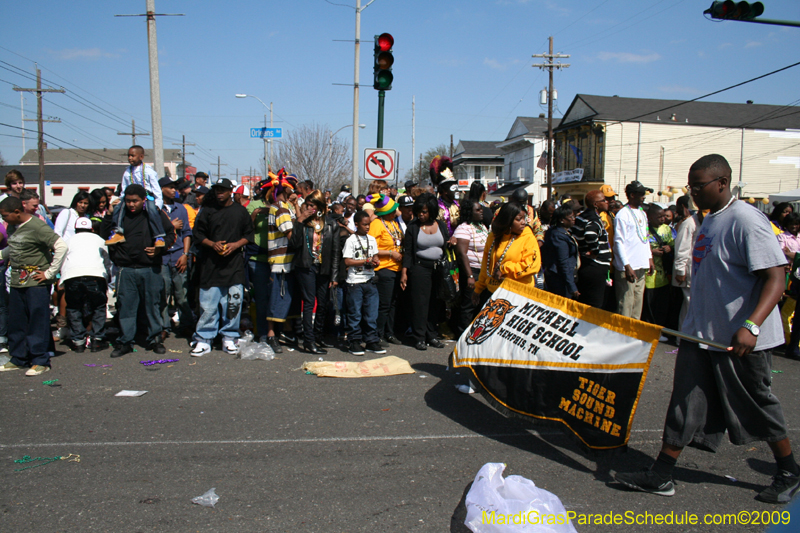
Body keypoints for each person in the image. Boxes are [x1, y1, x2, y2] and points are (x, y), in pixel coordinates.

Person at [615, 154, 800, 505]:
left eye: (698, 186)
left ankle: (788, 470)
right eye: (691, 186)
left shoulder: (746, 220)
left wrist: (751, 325)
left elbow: (777, 276)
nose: (693, 193)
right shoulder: (710, 220)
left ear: (723, 183)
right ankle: (662, 474)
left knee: (756, 406)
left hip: (739, 340)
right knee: (685, 403)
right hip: (702, 336)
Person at [102, 184, 176, 358]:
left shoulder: (154, 214)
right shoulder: (120, 214)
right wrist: (109, 213)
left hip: (150, 268)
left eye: (135, 201)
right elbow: (105, 234)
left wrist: (160, 249)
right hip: (125, 268)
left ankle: (155, 339)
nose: (131, 205)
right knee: (126, 307)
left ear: (143, 200)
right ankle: (125, 341)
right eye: (128, 201)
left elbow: (171, 234)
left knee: (153, 305)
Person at [0, 196, 67, 376]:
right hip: (17, 281)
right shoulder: (14, 227)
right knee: (17, 321)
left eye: (5, 216)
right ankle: (18, 358)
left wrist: (50, 273)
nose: (3, 219)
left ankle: (40, 360)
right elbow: (15, 246)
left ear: (16, 212)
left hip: (36, 283)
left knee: (37, 321)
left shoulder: (37, 226)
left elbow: (61, 246)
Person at [190, 178, 254, 356]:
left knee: (233, 305)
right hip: (210, 266)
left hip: (234, 267)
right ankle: (204, 339)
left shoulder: (240, 211)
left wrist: (235, 245)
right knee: (208, 306)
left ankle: (229, 337)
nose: (220, 192)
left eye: (223, 189)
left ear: (231, 191)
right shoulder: (207, 211)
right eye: (217, 189)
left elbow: (249, 234)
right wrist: (212, 244)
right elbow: (198, 234)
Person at [288, 190, 340, 354]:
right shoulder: (303, 224)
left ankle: (318, 336)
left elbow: (335, 252)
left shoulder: (331, 224)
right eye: (307, 205)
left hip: (323, 267)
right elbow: (294, 245)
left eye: (312, 205)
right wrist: (299, 221)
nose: (308, 208)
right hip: (306, 266)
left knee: (323, 302)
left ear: (320, 207)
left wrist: (334, 275)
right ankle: (308, 341)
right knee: (309, 302)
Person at [400, 193, 448, 351]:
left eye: (425, 211)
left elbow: (444, 247)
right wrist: (404, 273)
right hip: (420, 268)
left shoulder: (441, 225)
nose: (421, 214)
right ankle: (419, 337)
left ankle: (432, 335)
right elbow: (408, 252)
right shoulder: (413, 227)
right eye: (419, 211)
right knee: (420, 304)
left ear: (432, 211)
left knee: (435, 303)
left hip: (438, 269)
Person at [472, 202, 541, 307]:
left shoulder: (527, 236)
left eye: (524, 218)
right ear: (507, 220)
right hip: (495, 293)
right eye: (519, 219)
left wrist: (505, 269)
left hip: (519, 295)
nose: (524, 222)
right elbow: (486, 266)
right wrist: (478, 289)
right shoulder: (493, 237)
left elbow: (533, 265)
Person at [60, 217, 111, 353]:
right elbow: (107, 260)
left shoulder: (69, 241)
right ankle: (96, 340)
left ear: (75, 229)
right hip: (95, 275)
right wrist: (108, 277)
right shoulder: (99, 240)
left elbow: (62, 259)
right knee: (98, 306)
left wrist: (61, 280)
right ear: (92, 229)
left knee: (74, 307)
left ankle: (78, 342)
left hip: (73, 276)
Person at [105, 145, 166, 249]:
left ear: (141, 157)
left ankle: (159, 237)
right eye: (128, 156)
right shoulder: (127, 172)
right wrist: (121, 198)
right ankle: (118, 232)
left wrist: (158, 203)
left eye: (132, 156)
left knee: (152, 210)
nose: (130, 158)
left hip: (146, 196)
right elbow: (124, 188)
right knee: (118, 207)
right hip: (130, 195)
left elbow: (156, 189)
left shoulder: (148, 171)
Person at [342, 210, 383, 355]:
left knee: (371, 313)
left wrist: (375, 262)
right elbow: (347, 261)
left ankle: (371, 340)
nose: (367, 227)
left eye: (369, 224)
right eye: (364, 224)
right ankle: (354, 341)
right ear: (357, 224)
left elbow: (375, 256)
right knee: (355, 313)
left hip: (370, 280)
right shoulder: (351, 240)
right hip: (355, 282)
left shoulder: (371, 239)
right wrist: (364, 261)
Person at [365, 193, 404, 346]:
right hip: (384, 268)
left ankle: (389, 333)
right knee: (384, 304)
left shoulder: (394, 223)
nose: (396, 211)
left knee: (393, 303)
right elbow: (370, 246)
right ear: (387, 212)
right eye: (394, 209)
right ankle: (377, 334)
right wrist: (390, 253)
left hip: (396, 268)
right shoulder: (377, 224)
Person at [613, 181, 655, 319]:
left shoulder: (642, 213)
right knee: (626, 304)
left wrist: (649, 258)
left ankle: (634, 335)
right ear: (632, 195)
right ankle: (621, 337)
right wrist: (627, 265)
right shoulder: (622, 215)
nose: (644, 197)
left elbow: (645, 238)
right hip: (628, 268)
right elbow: (619, 242)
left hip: (641, 265)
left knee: (637, 306)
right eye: (641, 194)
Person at [159, 178, 193, 337]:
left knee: (182, 293)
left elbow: (186, 233)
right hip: (162, 257)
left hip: (178, 255)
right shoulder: (155, 209)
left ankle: (186, 323)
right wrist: (170, 226)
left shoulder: (181, 208)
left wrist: (185, 254)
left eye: (175, 188)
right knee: (163, 294)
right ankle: (164, 326)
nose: (174, 190)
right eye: (170, 187)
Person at [571, 190, 612, 308]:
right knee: (594, 305)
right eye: (603, 200)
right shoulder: (593, 218)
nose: (607, 202)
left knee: (586, 301)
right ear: (595, 204)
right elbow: (590, 234)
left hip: (587, 265)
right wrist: (595, 251)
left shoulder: (582, 217)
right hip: (595, 266)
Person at [454, 199, 489, 333]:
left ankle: (476, 332)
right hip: (472, 271)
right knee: (469, 304)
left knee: (481, 303)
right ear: (469, 212)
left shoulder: (482, 226)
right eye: (478, 210)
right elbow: (462, 254)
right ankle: (463, 332)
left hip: (483, 271)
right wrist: (469, 276)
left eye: (481, 209)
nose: (481, 212)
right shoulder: (463, 228)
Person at [642, 203, 674, 333]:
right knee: (649, 304)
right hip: (649, 273)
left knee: (662, 304)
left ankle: (659, 329)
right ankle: (649, 330)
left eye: (663, 216)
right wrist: (652, 252)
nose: (662, 219)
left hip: (663, 274)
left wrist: (669, 247)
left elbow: (673, 243)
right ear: (650, 217)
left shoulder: (666, 229)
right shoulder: (644, 229)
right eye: (659, 216)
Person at [671, 195, 699, 330]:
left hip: (696, 270)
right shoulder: (688, 223)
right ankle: (683, 338)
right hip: (688, 271)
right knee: (689, 306)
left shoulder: (699, 220)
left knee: (692, 305)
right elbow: (681, 249)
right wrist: (680, 271)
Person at [541, 205, 579, 299]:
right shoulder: (558, 236)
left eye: (574, 216)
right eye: (570, 217)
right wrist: (572, 286)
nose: (573, 219)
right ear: (562, 220)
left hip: (560, 276)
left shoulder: (560, 232)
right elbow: (563, 261)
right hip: (560, 278)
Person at [430, 156, 459, 241]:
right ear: (445, 191)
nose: (457, 191)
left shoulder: (458, 205)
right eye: (454, 188)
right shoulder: (436, 207)